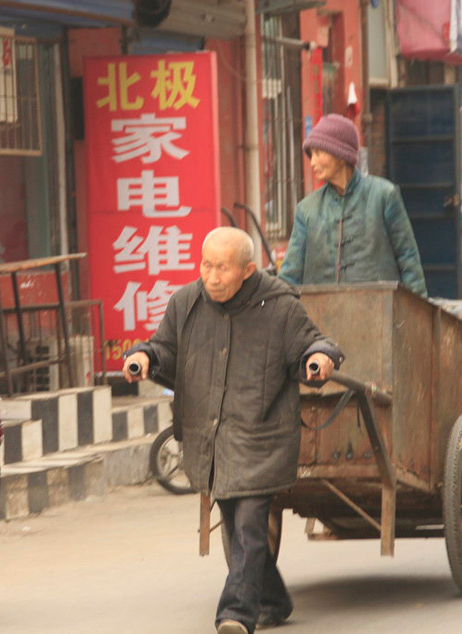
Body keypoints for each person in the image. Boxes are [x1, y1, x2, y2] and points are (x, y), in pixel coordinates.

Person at [123, 227, 344, 634]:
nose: (212, 276)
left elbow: (313, 344)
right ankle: (274, 599)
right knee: (237, 526)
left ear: (247, 270)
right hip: (211, 439)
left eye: (222, 268)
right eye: (206, 265)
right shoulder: (186, 303)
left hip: (260, 438)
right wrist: (144, 357)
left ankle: (235, 614)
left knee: (247, 525)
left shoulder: (280, 307)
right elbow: (165, 348)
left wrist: (318, 360)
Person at [278, 114, 427, 297]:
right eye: (311, 155)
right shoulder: (306, 209)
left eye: (318, 153)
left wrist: (417, 317)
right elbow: (289, 275)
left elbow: (408, 261)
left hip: (379, 314)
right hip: (323, 318)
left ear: (341, 156)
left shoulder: (384, 196)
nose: (312, 162)